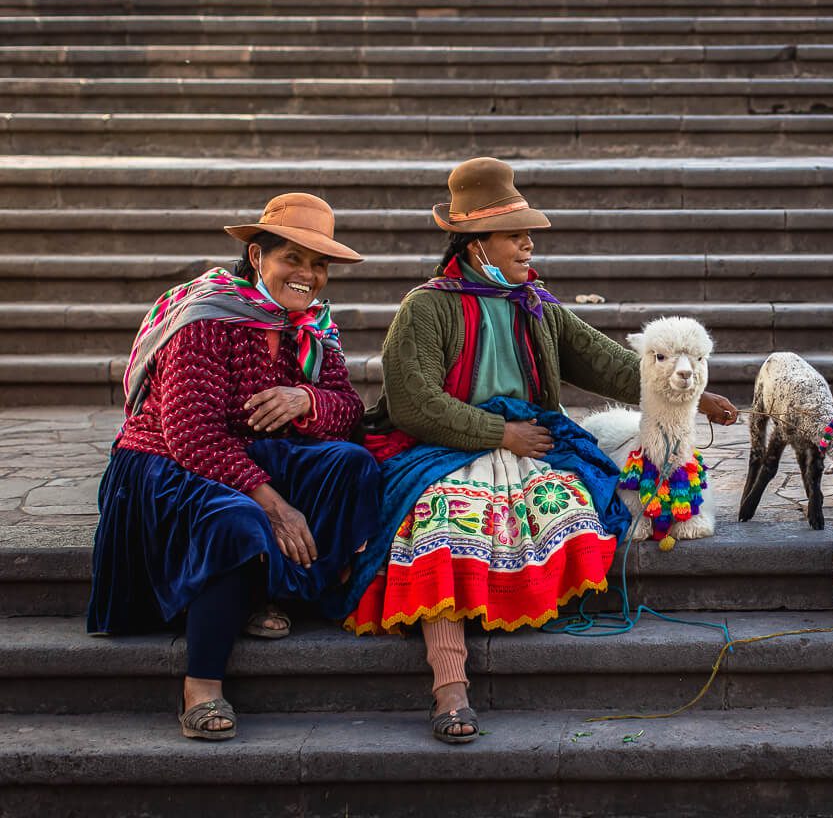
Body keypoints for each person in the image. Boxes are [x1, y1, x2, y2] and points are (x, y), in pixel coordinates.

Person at [338, 157, 739, 744]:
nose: (528, 244)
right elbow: (413, 402)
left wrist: (693, 392)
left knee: (577, 504)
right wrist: (498, 435)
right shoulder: (424, 309)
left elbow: (603, 359)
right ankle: (450, 686)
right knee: (440, 522)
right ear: (477, 244)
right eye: (515, 234)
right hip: (447, 444)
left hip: (533, 443)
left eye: (528, 234)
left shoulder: (536, 304)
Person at [87, 193, 383, 741]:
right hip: (165, 463)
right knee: (237, 519)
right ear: (256, 255)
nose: (308, 275)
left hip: (245, 453)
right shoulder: (206, 317)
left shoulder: (312, 327)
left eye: (318, 264)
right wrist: (276, 505)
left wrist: (304, 400)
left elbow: (346, 412)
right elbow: (192, 435)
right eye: (292, 258)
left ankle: (262, 591)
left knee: (351, 464)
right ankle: (202, 687)